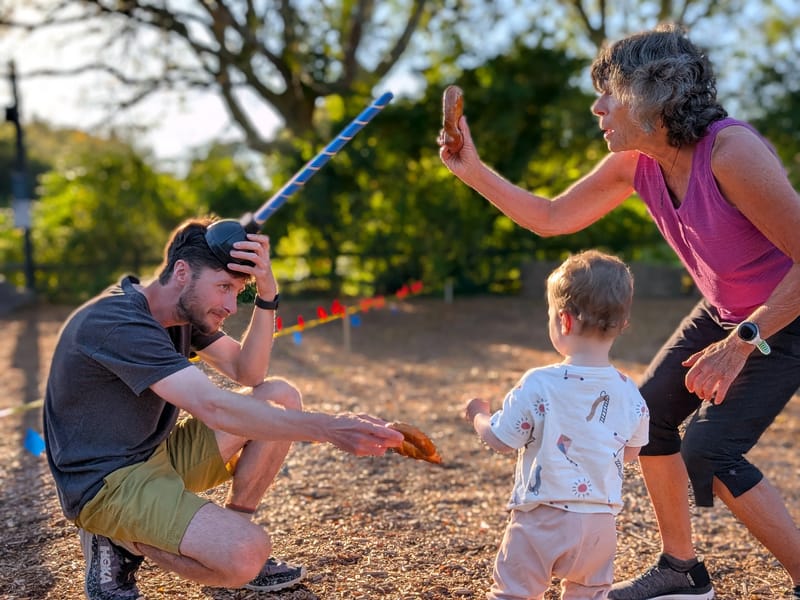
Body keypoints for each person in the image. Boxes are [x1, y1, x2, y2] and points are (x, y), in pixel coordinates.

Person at [441, 22, 800, 600]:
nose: (597, 106)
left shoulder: (731, 153)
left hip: (784, 312)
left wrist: (740, 345)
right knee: (652, 417)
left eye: (610, 91)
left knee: (711, 448)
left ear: (653, 96)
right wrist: (472, 171)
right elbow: (552, 217)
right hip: (725, 309)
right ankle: (682, 571)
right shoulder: (638, 163)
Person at [43, 217, 404, 599]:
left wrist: (267, 293)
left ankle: (231, 526)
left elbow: (248, 372)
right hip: (106, 483)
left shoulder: (181, 311)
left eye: (237, 292)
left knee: (280, 394)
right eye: (224, 288)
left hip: (157, 456)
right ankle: (120, 539)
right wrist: (328, 428)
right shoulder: (116, 321)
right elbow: (213, 406)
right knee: (247, 553)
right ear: (181, 272)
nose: (231, 305)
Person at [465, 250, 650, 599]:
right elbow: (630, 451)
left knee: (514, 593)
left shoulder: (539, 383)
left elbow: (502, 439)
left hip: (542, 517)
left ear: (564, 321)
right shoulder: (629, 392)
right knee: (590, 592)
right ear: (622, 324)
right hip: (600, 523)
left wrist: (478, 415)